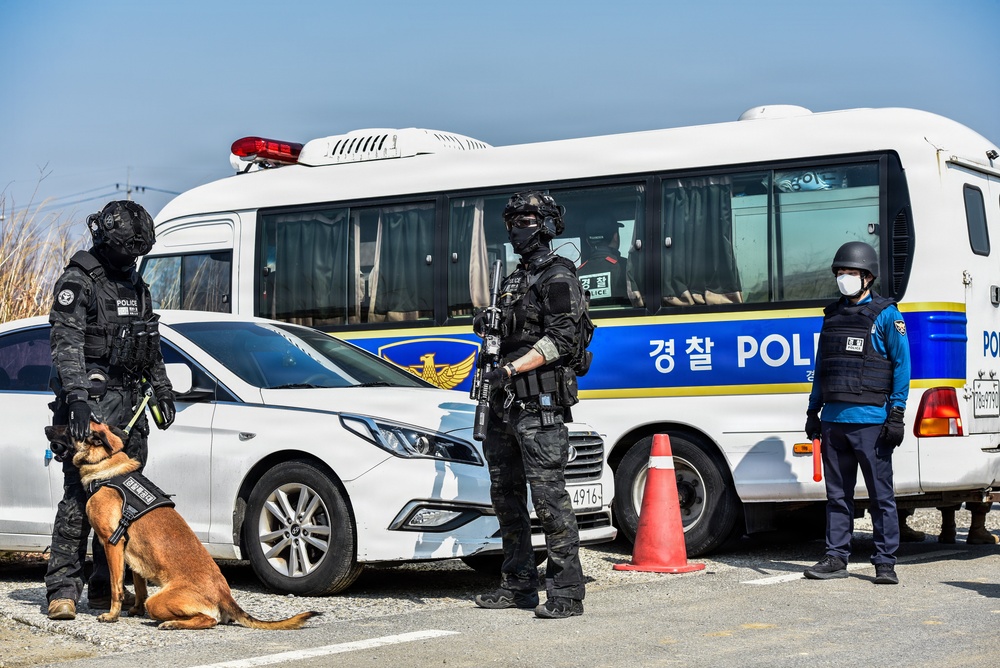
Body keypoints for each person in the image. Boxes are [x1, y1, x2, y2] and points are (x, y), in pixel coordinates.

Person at [45, 200, 176, 620]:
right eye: (125, 252)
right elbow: (66, 345)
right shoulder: (77, 282)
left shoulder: (137, 286)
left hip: (131, 406)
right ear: (104, 240)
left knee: (126, 502)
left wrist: (162, 389)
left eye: (138, 253)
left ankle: (107, 587)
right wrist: (78, 400)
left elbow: (150, 343)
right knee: (77, 499)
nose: (132, 260)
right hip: (90, 407)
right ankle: (63, 590)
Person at [472, 191, 587, 619]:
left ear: (545, 224)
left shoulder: (558, 276)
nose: (516, 228)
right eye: (512, 220)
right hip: (504, 401)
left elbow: (561, 340)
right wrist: (488, 323)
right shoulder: (514, 279)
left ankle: (566, 591)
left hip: (539, 401)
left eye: (525, 219)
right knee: (505, 496)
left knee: (549, 498)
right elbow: (504, 335)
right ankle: (518, 583)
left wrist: (511, 369)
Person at [803, 241, 911, 585]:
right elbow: (823, 368)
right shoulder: (832, 316)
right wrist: (813, 410)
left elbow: (902, 367)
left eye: (850, 272)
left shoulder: (886, 316)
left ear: (867, 277)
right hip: (834, 422)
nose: (843, 278)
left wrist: (896, 413)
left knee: (881, 497)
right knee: (837, 496)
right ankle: (836, 557)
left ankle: (884, 562)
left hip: (871, 424)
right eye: (840, 272)